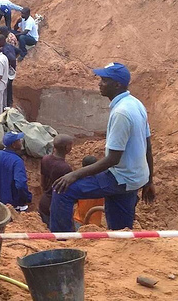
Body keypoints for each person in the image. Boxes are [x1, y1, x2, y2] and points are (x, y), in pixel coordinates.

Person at [50, 63, 156, 232]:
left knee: (63, 190)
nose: (99, 83)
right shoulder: (136, 104)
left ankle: (62, 243)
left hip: (120, 177)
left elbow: (112, 159)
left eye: (104, 80)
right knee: (120, 232)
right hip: (136, 177)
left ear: (117, 85)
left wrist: (73, 174)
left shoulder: (121, 113)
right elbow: (147, 145)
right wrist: (149, 180)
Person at [0, 131, 32, 210]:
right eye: (18, 141)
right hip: (12, 204)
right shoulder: (17, 161)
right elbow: (20, 184)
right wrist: (27, 197)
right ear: (14, 145)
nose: (20, 142)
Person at [38, 134, 74, 227]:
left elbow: (42, 182)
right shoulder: (65, 168)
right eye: (71, 145)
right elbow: (66, 191)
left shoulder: (45, 159)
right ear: (67, 148)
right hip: (55, 206)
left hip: (44, 201)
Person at [73, 156, 105, 228]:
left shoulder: (79, 181)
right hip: (95, 223)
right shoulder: (102, 183)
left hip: (79, 220)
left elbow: (74, 200)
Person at [0, 34, 20, 108]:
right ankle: (9, 102)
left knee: (7, 85)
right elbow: (18, 51)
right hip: (12, 69)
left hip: (9, 70)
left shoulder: (5, 50)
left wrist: (9, 65)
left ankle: (8, 103)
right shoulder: (9, 46)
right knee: (9, 85)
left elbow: (12, 58)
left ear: (2, 41)